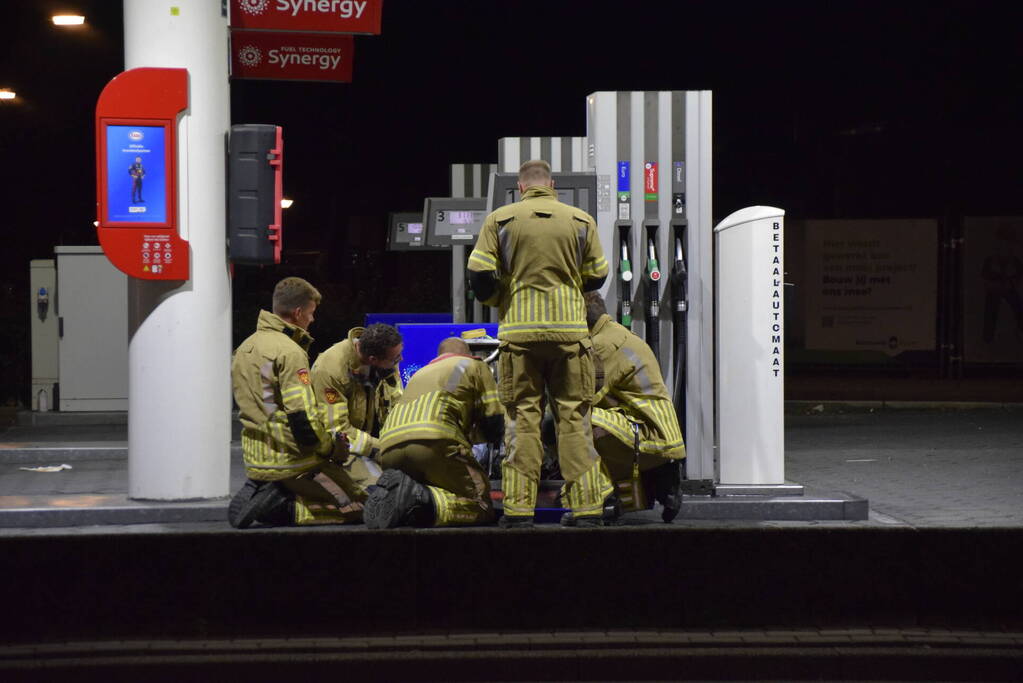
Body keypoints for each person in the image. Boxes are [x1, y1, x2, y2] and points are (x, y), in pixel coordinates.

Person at [467, 159, 611, 527]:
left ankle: (518, 512)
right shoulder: (580, 221)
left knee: (522, 421)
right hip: (569, 336)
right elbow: (597, 275)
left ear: (520, 187)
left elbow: (480, 273)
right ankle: (588, 509)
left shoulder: (500, 219)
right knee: (574, 421)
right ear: (552, 185)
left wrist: (499, 299)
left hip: (520, 336)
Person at [228, 277, 363, 528]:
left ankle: (269, 486)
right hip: (292, 459)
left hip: (256, 456)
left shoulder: (245, 347)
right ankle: (282, 506)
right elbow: (301, 416)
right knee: (356, 505)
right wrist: (331, 448)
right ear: (298, 313)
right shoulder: (290, 352)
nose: (312, 320)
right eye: (311, 314)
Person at [364, 337, 504, 528]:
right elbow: (493, 419)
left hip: (388, 449)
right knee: (481, 505)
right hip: (435, 442)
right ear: (467, 354)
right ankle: (419, 498)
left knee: (435, 492)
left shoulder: (419, 374)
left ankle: (406, 501)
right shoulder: (474, 365)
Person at [581, 291, 686, 522]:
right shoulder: (614, 333)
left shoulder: (602, 346)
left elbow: (583, 396)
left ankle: (600, 498)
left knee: (572, 421)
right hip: (654, 431)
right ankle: (659, 478)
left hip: (650, 433)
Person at [310, 323, 403, 500]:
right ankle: (291, 505)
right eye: (395, 358)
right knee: (381, 492)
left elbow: (397, 402)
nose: (401, 360)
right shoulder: (331, 369)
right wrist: (381, 448)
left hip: (374, 441)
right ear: (373, 359)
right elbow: (337, 430)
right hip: (341, 450)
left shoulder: (386, 361)